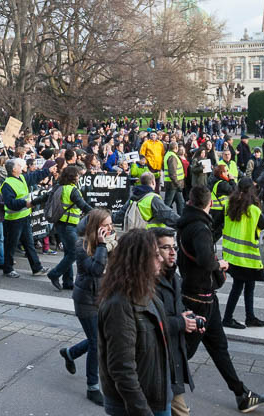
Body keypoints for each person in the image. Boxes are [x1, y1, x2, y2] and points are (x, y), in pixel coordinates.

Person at [177, 185, 264, 412]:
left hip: (203, 296)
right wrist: (218, 264)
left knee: (219, 348)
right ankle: (155, 386)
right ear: (209, 203)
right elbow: (204, 259)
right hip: (199, 298)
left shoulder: (188, 222)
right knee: (184, 352)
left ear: (190, 201)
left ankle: (241, 394)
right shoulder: (200, 228)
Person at [97, 228, 171, 416]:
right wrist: (142, 411)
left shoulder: (147, 291)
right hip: (135, 404)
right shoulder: (119, 305)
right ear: (140, 261)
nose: (161, 259)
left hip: (155, 395)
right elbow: (122, 368)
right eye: (155, 255)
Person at [58, 209, 114, 406]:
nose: (110, 228)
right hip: (85, 300)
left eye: (110, 224)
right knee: (97, 342)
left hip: (102, 297)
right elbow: (97, 270)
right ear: (96, 227)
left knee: (98, 338)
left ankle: (70, 353)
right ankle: (92, 387)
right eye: (105, 225)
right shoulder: (81, 245)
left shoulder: (106, 241)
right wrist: (101, 246)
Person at [153, 227, 198, 416]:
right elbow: (150, 325)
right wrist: (181, 323)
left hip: (172, 360)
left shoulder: (175, 278)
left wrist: (188, 317)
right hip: (158, 364)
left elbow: (174, 311)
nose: (172, 252)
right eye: (166, 248)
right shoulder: (149, 283)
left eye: (174, 247)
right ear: (154, 252)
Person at [220, 177, 264, 329]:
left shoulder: (228, 204)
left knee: (245, 286)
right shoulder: (254, 210)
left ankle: (250, 316)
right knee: (241, 287)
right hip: (248, 256)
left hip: (232, 255)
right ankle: (228, 318)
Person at [0, 158, 55, 278]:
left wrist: (47, 171)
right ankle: (8, 269)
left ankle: (37, 268)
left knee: (29, 243)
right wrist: (25, 204)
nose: (22, 167)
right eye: (19, 166)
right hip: (13, 220)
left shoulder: (22, 178)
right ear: (14, 169)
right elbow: (10, 203)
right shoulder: (7, 184)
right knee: (11, 245)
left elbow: (35, 176)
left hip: (24, 217)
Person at [47, 165, 93, 291]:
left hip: (61, 224)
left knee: (68, 253)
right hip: (68, 225)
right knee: (75, 252)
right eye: (77, 175)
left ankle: (67, 282)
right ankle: (54, 274)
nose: (79, 177)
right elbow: (83, 205)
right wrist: (98, 214)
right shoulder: (72, 190)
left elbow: (46, 197)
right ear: (73, 177)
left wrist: (31, 203)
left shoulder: (58, 187)